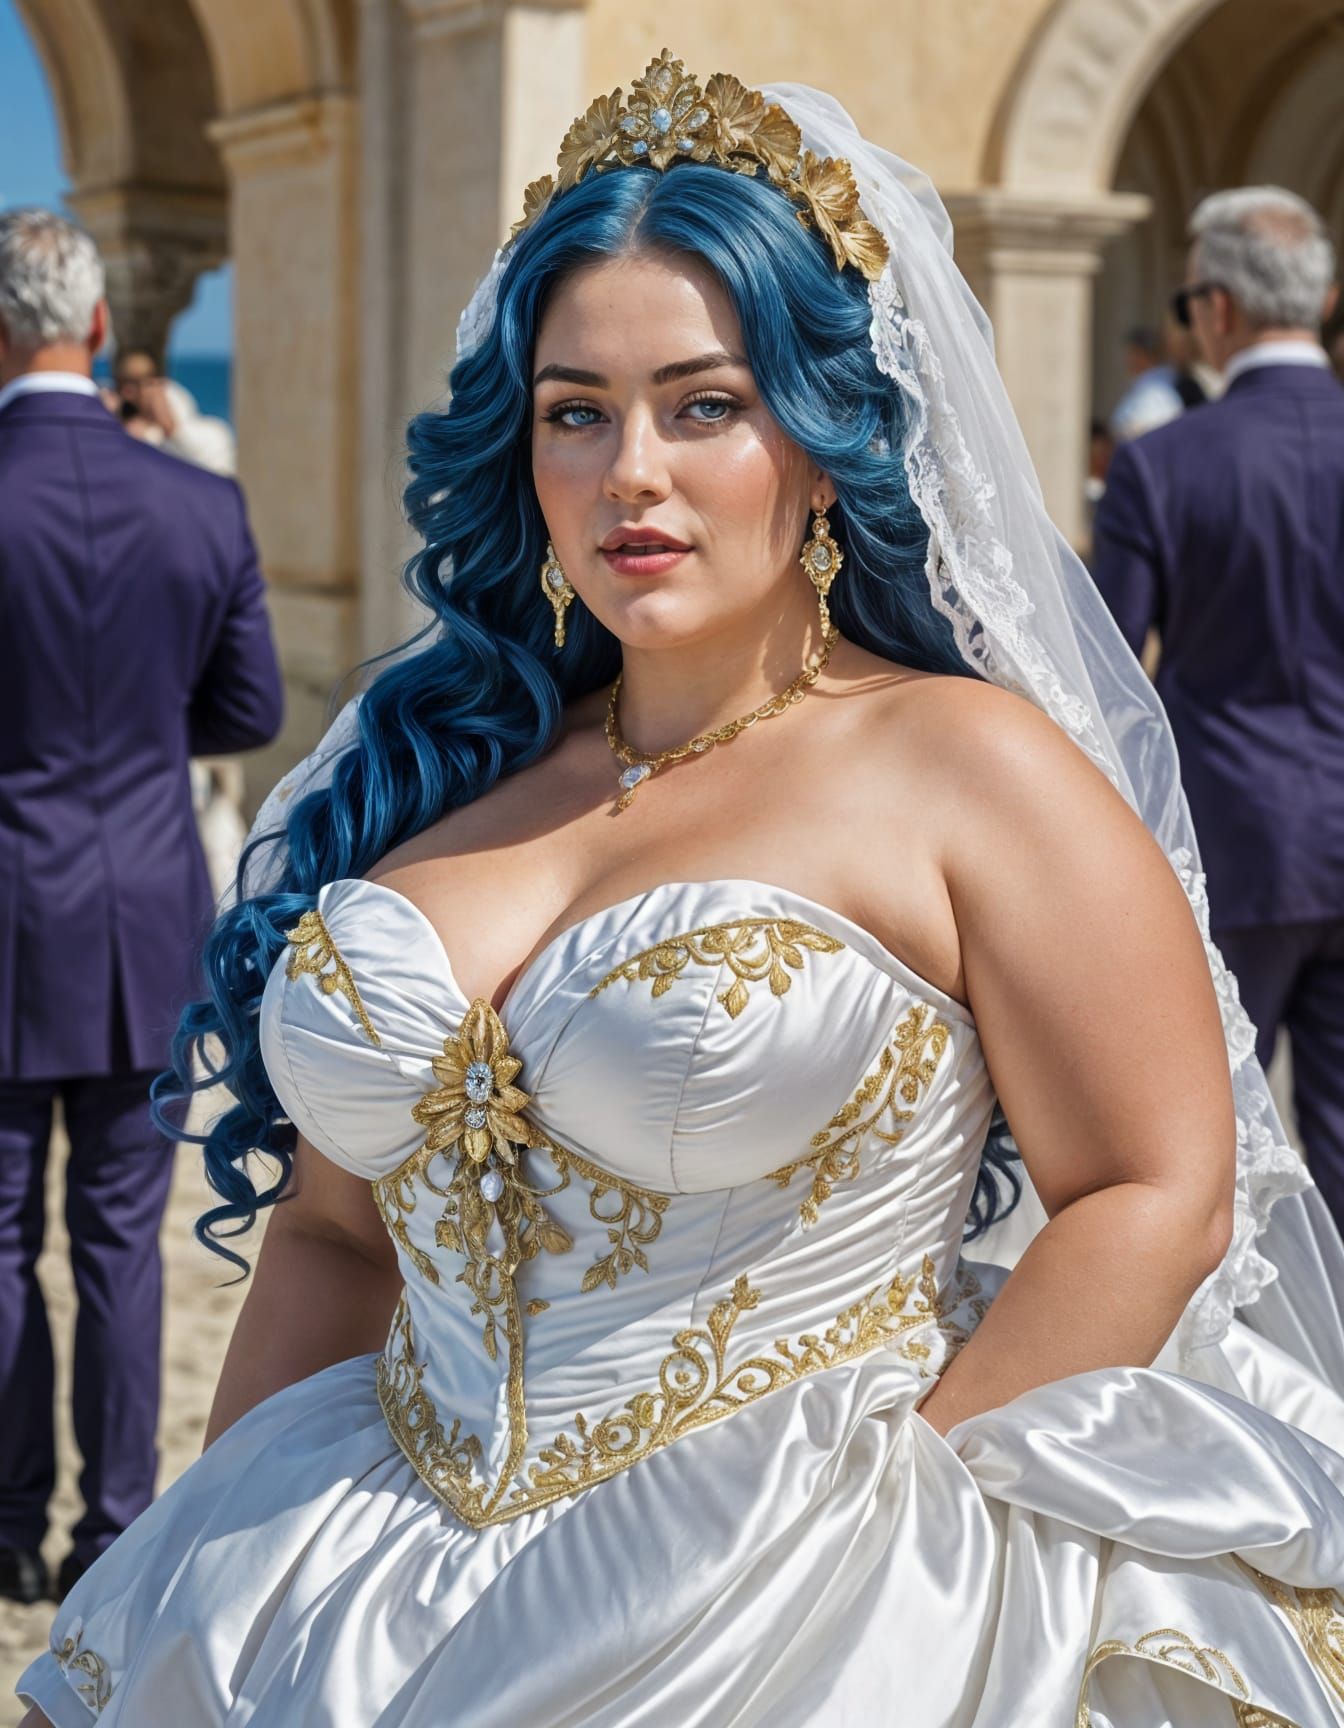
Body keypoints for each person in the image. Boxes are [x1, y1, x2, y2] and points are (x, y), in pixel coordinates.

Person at [17, 61, 1344, 1728]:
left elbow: (1154, 1182)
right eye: (575, 409)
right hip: (356, 1584)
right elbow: (336, 1237)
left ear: (815, 436)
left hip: (802, 1604)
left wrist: (901, 1524)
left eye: (699, 403)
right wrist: (212, 1586)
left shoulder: (962, 766)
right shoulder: (431, 772)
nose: (627, 471)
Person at [0, 209, 284, 1610]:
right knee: (119, 1236)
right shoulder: (199, 502)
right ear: (100, 327)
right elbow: (250, 707)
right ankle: (113, 1528)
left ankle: (3, 1521)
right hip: (142, 910)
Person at [1092, 186, 1344, 1241]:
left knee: (1216, 1148)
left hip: (1227, 838)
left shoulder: (1163, 463)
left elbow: (1105, 675)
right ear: (1325, 298)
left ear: (1218, 312)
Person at [113, 347, 237, 476]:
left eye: (139, 382)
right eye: (124, 383)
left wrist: (166, 426)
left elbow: (190, 448)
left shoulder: (172, 399)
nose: (128, 391)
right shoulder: (118, 410)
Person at [1107, 322, 1185, 441]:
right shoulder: (1146, 384)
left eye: (1133, 353)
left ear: (1145, 354)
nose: (1128, 360)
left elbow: (1144, 430)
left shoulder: (1158, 390)